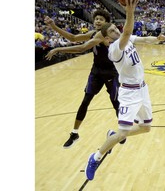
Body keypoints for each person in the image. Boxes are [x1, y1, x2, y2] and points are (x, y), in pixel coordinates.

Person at [85, 0, 165, 181]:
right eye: (112, 31)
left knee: (146, 127)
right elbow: (128, 30)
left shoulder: (126, 38)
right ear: (106, 39)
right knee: (124, 133)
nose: (116, 30)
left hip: (142, 89)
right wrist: (130, 10)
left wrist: (157, 39)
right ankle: (95, 157)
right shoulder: (114, 49)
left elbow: (144, 38)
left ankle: (113, 136)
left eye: (116, 28)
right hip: (129, 93)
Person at [44, 10, 125, 148]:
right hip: (97, 71)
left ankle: (122, 132)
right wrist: (54, 26)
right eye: (96, 19)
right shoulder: (93, 33)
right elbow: (73, 38)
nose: (98, 21)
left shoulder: (103, 35)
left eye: (101, 19)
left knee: (116, 103)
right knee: (85, 100)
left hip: (111, 73)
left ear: (107, 23)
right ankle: (74, 133)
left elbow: (81, 48)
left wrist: (58, 50)